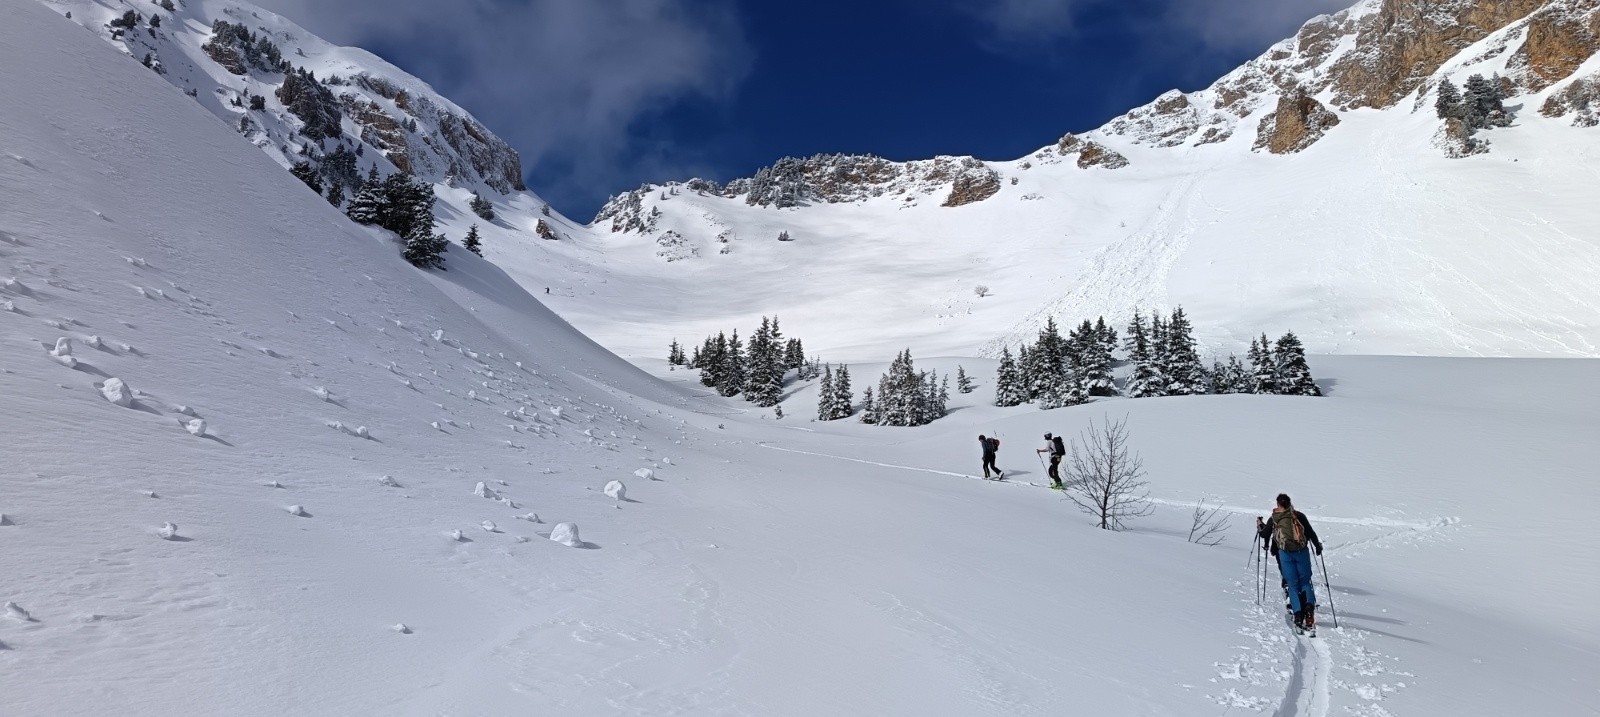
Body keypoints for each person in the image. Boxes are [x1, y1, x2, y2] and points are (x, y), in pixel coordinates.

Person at [1263, 494, 1323, 632]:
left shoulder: (1274, 518)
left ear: (1278, 504)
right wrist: (1317, 546)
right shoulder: (1298, 516)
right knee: (1305, 582)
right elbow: (1310, 532)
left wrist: (1260, 527)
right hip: (1302, 552)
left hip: (1285, 554)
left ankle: (1298, 613)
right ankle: (1309, 608)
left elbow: (1264, 534)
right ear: (1290, 503)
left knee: (1293, 584)